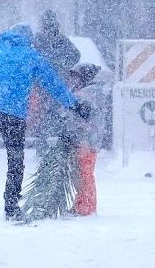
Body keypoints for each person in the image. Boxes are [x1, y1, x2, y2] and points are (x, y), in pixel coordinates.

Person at [0, 24, 91, 221]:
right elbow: (52, 83)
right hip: (13, 113)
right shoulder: (30, 55)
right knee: (15, 161)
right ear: (28, 39)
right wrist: (74, 105)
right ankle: (11, 207)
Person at [31, 10, 80, 154]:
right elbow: (75, 55)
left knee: (44, 114)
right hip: (56, 83)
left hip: (43, 84)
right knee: (55, 114)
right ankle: (56, 146)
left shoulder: (39, 40)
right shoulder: (60, 40)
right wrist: (62, 65)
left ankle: (45, 146)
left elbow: (75, 55)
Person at [65, 64, 105, 216]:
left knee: (83, 174)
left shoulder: (83, 96)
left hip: (84, 141)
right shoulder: (95, 94)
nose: (73, 81)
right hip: (90, 141)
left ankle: (85, 206)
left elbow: (77, 120)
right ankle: (84, 204)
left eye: (75, 77)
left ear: (84, 78)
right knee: (84, 173)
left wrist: (70, 133)